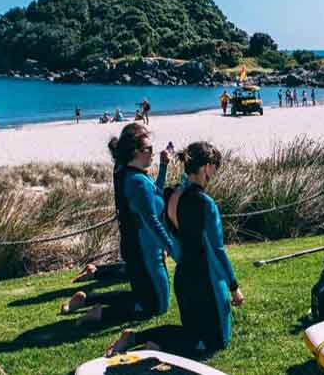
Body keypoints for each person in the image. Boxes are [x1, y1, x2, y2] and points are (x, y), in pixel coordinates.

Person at [106, 142, 243, 357]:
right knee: (216, 343)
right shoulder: (205, 203)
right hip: (205, 282)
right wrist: (234, 287)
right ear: (207, 167)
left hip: (183, 277)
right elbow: (217, 250)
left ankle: (135, 338)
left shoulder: (172, 195)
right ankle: (154, 346)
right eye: (215, 168)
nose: (215, 174)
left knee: (192, 332)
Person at [61, 123, 178, 325]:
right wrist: (173, 250)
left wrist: (164, 166)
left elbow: (156, 196)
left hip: (145, 249)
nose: (153, 152)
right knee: (157, 307)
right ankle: (101, 313)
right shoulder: (137, 181)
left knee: (149, 299)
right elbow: (151, 221)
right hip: (144, 252)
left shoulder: (138, 174)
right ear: (135, 153)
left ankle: (89, 299)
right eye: (148, 149)